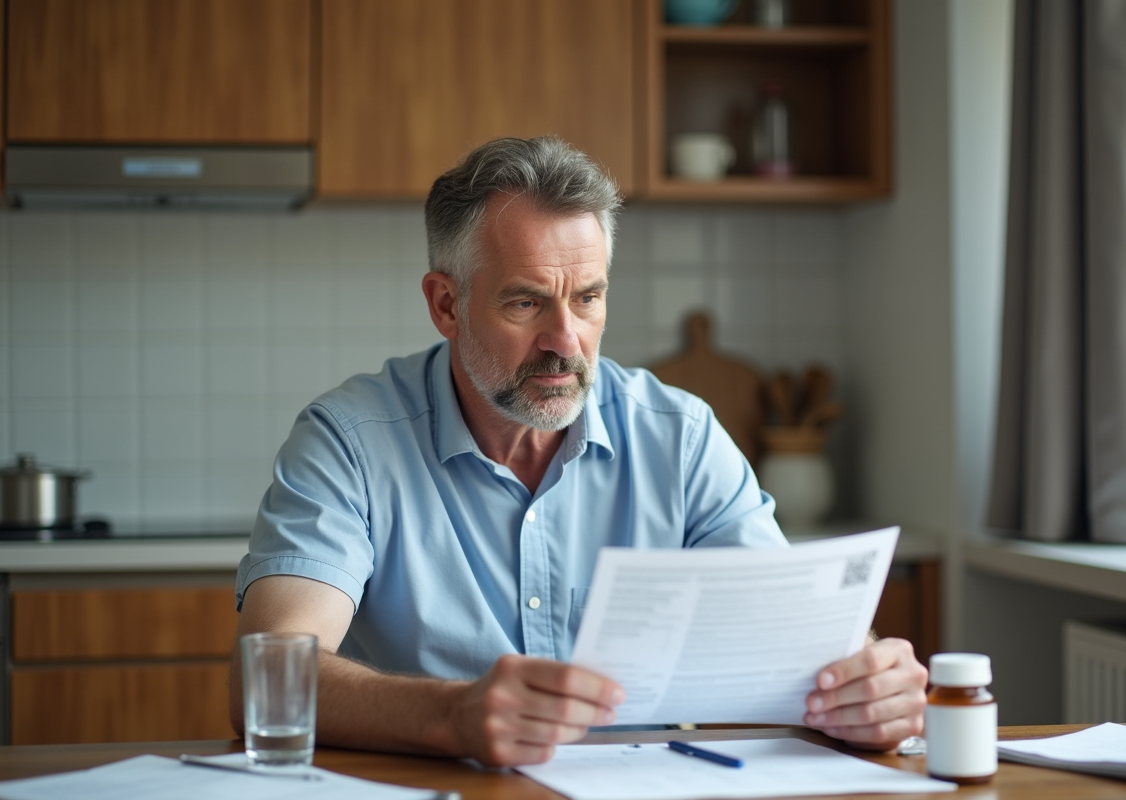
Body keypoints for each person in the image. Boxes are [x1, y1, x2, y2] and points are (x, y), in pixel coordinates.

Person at [230, 136, 927, 767]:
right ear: (446, 304)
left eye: (588, 298)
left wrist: (864, 686)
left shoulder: (679, 437)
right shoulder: (349, 442)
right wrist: (450, 716)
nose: (566, 340)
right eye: (526, 304)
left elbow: (796, 642)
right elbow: (266, 677)